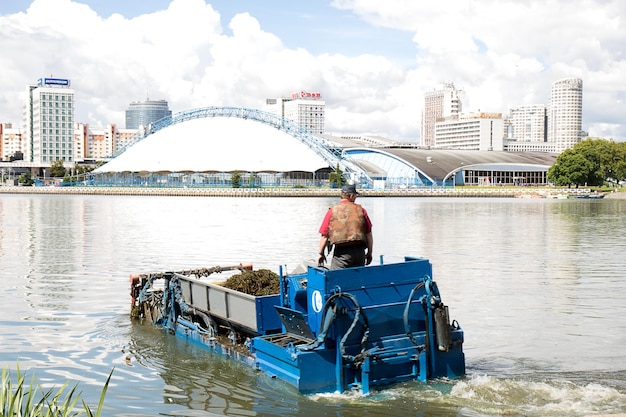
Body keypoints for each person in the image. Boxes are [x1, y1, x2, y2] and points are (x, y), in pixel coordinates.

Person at [317, 183, 373, 269]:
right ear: (351, 196)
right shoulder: (361, 210)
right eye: (355, 196)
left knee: (336, 279)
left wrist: (321, 254)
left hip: (342, 253)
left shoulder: (332, 211)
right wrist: (369, 253)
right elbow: (369, 234)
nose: (356, 198)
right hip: (359, 252)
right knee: (357, 279)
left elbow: (324, 236)